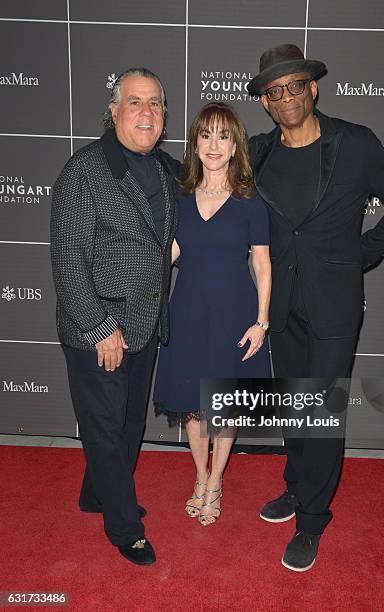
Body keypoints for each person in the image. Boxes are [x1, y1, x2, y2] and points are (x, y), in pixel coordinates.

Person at [247, 44, 384, 572]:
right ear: (264, 101)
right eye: (274, 91)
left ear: (313, 88)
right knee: (293, 405)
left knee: (321, 413)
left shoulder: (353, 143)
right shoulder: (256, 152)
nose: (286, 98)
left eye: (294, 87)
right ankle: (297, 487)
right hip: (281, 305)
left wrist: (361, 255)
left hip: (334, 305)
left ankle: (311, 521)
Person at [50, 68, 182, 565]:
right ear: (113, 110)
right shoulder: (83, 172)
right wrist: (100, 328)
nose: (146, 112)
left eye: (155, 104)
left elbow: (164, 235)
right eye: (134, 102)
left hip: (146, 324)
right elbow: (68, 262)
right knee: (106, 430)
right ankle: (124, 527)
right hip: (99, 330)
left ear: (164, 116)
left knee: (128, 427)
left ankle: (96, 494)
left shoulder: (167, 170)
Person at [154, 102, 271, 525]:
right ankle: (200, 476)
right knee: (192, 404)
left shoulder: (249, 202)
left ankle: (217, 481)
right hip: (187, 312)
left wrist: (261, 322)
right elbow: (170, 254)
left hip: (233, 315)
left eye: (224, 136)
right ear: (195, 144)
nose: (214, 144)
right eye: (206, 135)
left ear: (236, 144)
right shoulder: (180, 199)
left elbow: (261, 263)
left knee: (223, 404)